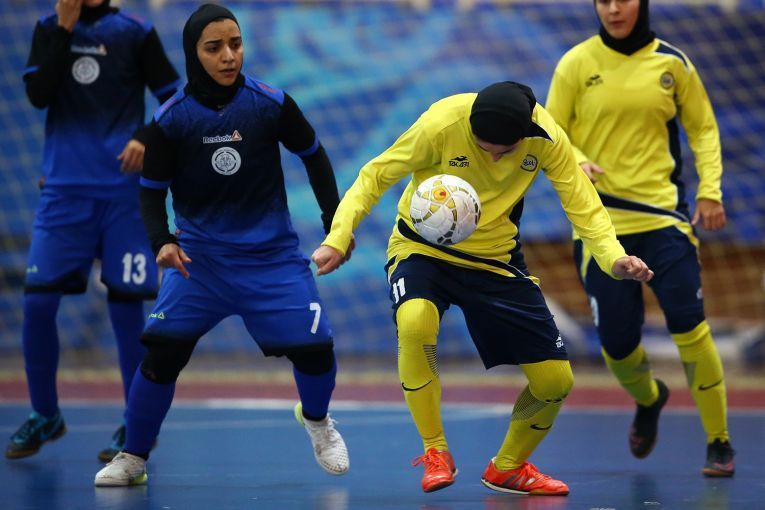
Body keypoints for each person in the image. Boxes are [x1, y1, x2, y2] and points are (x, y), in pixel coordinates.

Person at [312, 81, 654, 496]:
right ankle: (435, 451)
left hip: (496, 259)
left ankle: (508, 467)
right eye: (482, 148)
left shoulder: (547, 136)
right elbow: (375, 175)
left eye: (503, 152)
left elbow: (583, 205)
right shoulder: (441, 123)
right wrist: (338, 236)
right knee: (415, 321)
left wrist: (614, 257)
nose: (492, 158)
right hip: (423, 249)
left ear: (525, 135)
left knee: (554, 382)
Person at [93, 4, 350, 486]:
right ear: (194, 53)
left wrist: (335, 226)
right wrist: (161, 241)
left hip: (272, 261)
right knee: (161, 356)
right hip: (201, 264)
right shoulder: (171, 119)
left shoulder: (270, 103)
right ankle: (133, 457)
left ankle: (317, 421)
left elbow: (314, 157)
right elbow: (150, 192)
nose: (229, 55)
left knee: (316, 351)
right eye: (214, 48)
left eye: (235, 43)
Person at [545, 0, 734, 477]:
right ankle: (650, 399)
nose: (613, 9)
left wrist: (710, 191)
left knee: (690, 326)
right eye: (603, 0)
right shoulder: (575, 64)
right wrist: (576, 159)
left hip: (663, 219)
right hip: (600, 226)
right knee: (617, 345)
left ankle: (719, 442)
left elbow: (703, 130)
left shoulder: (674, 64)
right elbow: (550, 132)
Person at [6, 0, 181, 463]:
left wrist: (145, 135)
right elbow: (39, 94)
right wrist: (64, 30)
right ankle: (45, 414)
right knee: (38, 304)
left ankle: (134, 421)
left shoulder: (135, 31)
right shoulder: (48, 27)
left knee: (127, 311)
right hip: (64, 193)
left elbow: (173, 97)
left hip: (123, 196)